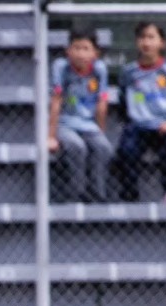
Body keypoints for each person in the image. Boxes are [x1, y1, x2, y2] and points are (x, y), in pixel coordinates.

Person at [116, 21, 166, 204]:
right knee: (126, 149)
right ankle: (130, 194)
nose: (146, 42)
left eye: (151, 37)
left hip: (163, 125)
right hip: (139, 126)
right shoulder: (128, 72)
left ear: (161, 43)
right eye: (142, 37)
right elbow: (122, 102)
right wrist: (132, 121)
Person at [48, 29, 112, 203]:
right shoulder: (60, 67)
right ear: (68, 50)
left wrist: (100, 130)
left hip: (88, 124)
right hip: (65, 123)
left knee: (103, 147)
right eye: (76, 48)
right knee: (77, 146)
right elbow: (56, 100)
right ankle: (76, 193)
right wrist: (51, 136)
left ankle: (98, 193)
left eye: (85, 48)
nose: (80, 53)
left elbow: (102, 103)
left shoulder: (99, 70)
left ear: (95, 53)